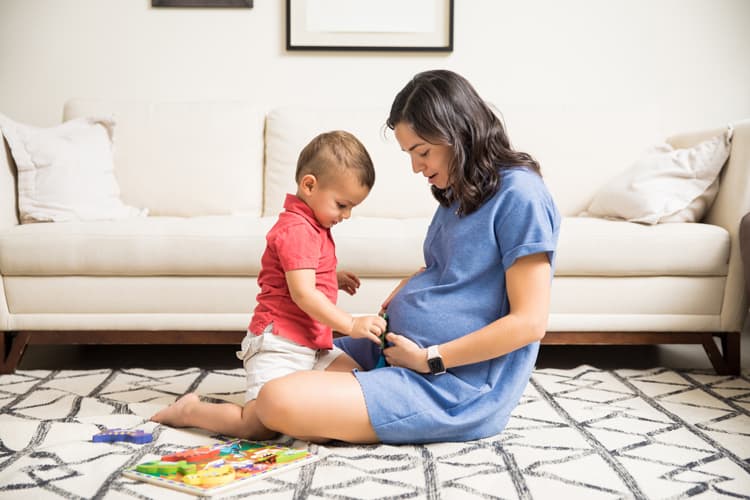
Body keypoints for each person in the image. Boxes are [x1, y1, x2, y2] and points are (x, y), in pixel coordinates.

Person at [150, 130, 386, 439]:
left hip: (312, 343)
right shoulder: (297, 229)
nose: (347, 215)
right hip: (280, 344)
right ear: (309, 185)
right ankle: (190, 411)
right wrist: (351, 324)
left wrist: (331, 277)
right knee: (257, 426)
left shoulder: (314, 223)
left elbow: (301, 273)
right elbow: (302, 294)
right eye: (342, 205)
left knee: (357, 386)